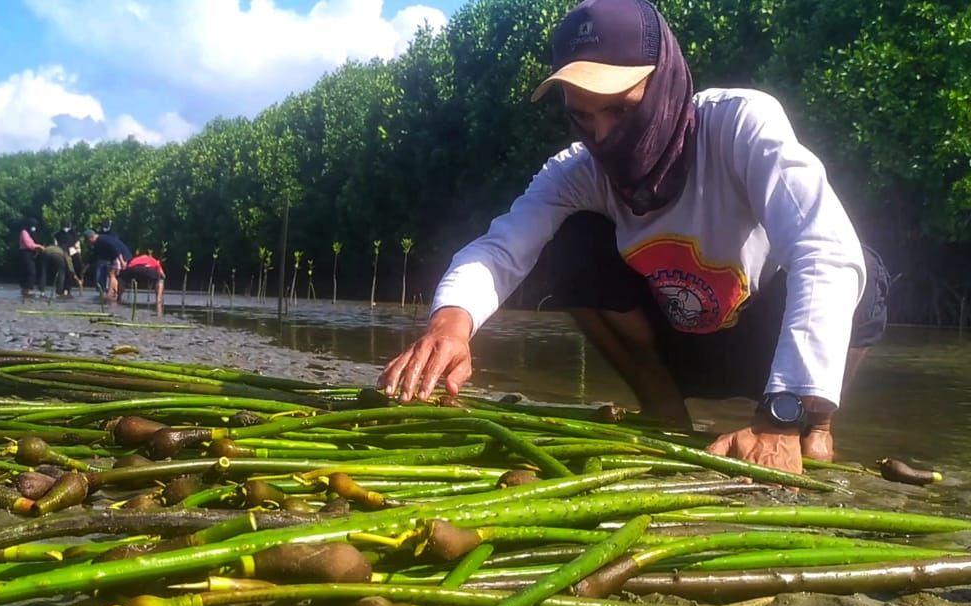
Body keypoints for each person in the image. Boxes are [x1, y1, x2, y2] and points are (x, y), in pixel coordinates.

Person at [378, 0, 889, 475]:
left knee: (864, 271)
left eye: (620, 110)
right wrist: (450, 327)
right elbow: (500, 249)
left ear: (665, 83)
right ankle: (668, 420)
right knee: (573, 242)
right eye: (582, 115)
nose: (601, 135)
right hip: (678, 348)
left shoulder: (739, 125)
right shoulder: (577, 173)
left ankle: (813, 428)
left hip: (770, 349)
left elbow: (826, 251)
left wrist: (780, 417)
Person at [85, 227, 132, 300]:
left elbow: (116, 249)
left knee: (111, 274)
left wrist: (122, 261)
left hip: (122, 255)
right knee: (112, 275)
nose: (89, 243)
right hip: (116, 256)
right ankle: (114, 294)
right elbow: (95, 255)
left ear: (91, 238)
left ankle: (110, 294)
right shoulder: (97, 243)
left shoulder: (103, 240)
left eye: (88, 241)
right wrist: (86, 266)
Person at [16, 220, 43, 298]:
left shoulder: (33, 233)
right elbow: (28, 244)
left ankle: (26, 290)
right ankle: (26, 289)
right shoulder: (24, 232)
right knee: (30, 271)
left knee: (29, 271)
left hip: (31, 253)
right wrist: (39, 246)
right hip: (25, 252)